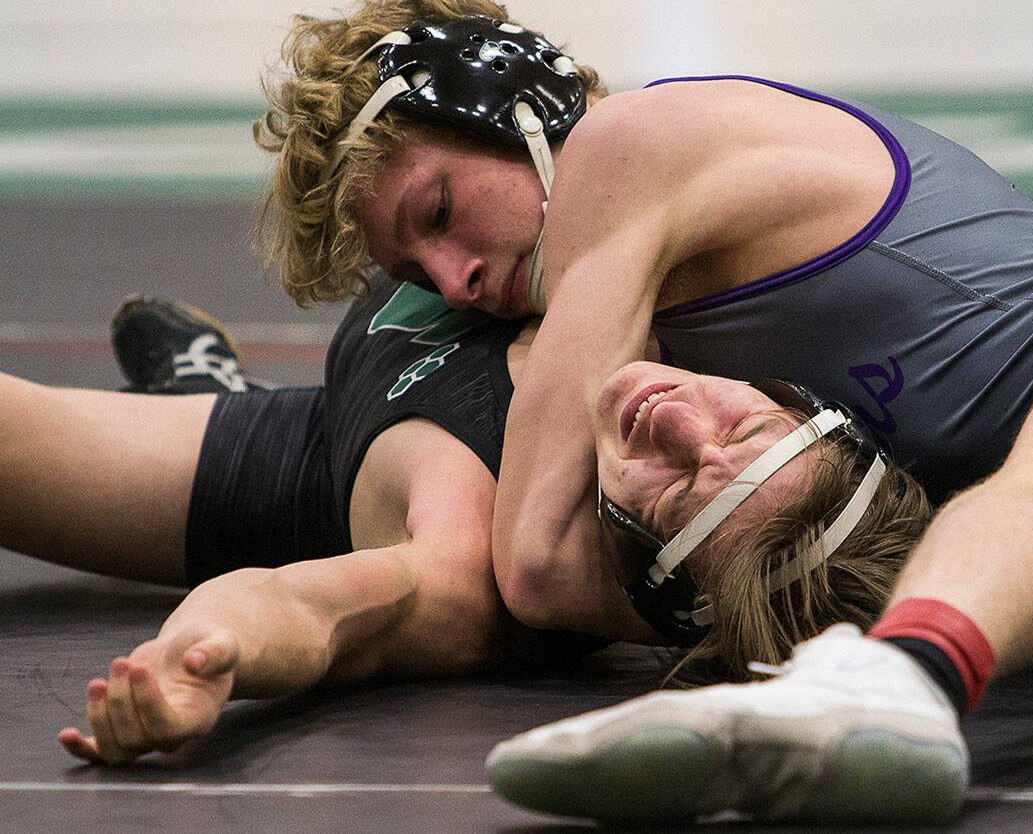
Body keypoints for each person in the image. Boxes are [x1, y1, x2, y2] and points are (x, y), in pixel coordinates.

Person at [247, 0, 1033, 825]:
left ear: (518, 106)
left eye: (438, 210)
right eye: (416, 268)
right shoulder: (660, 304)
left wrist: (779, 589)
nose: (454, 277)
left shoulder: (623, 156)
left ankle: (896, 682)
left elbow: (535, 566)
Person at [18, 282, 936, 765]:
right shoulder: (745, 297)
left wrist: (199, 659)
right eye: (746, 422)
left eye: (676, 488)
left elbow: (306, 608)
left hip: (302, 472)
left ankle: (212, 397)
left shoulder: (469, 571)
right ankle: (209, 386)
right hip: (371, 395)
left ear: (652, 571)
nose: (674, 413)